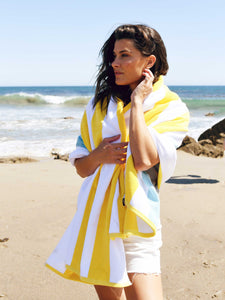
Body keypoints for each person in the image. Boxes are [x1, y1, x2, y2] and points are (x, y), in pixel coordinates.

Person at [46, 24, 189, 300]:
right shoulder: (97, 108)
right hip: (99, 218)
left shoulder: (171, 108)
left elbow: (145, 159)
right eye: (113, 56)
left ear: (149, 62)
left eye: (125, 55)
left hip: (138, 221)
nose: (114, 63)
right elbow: (82, 168)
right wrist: (98, 155)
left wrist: (137, 103)